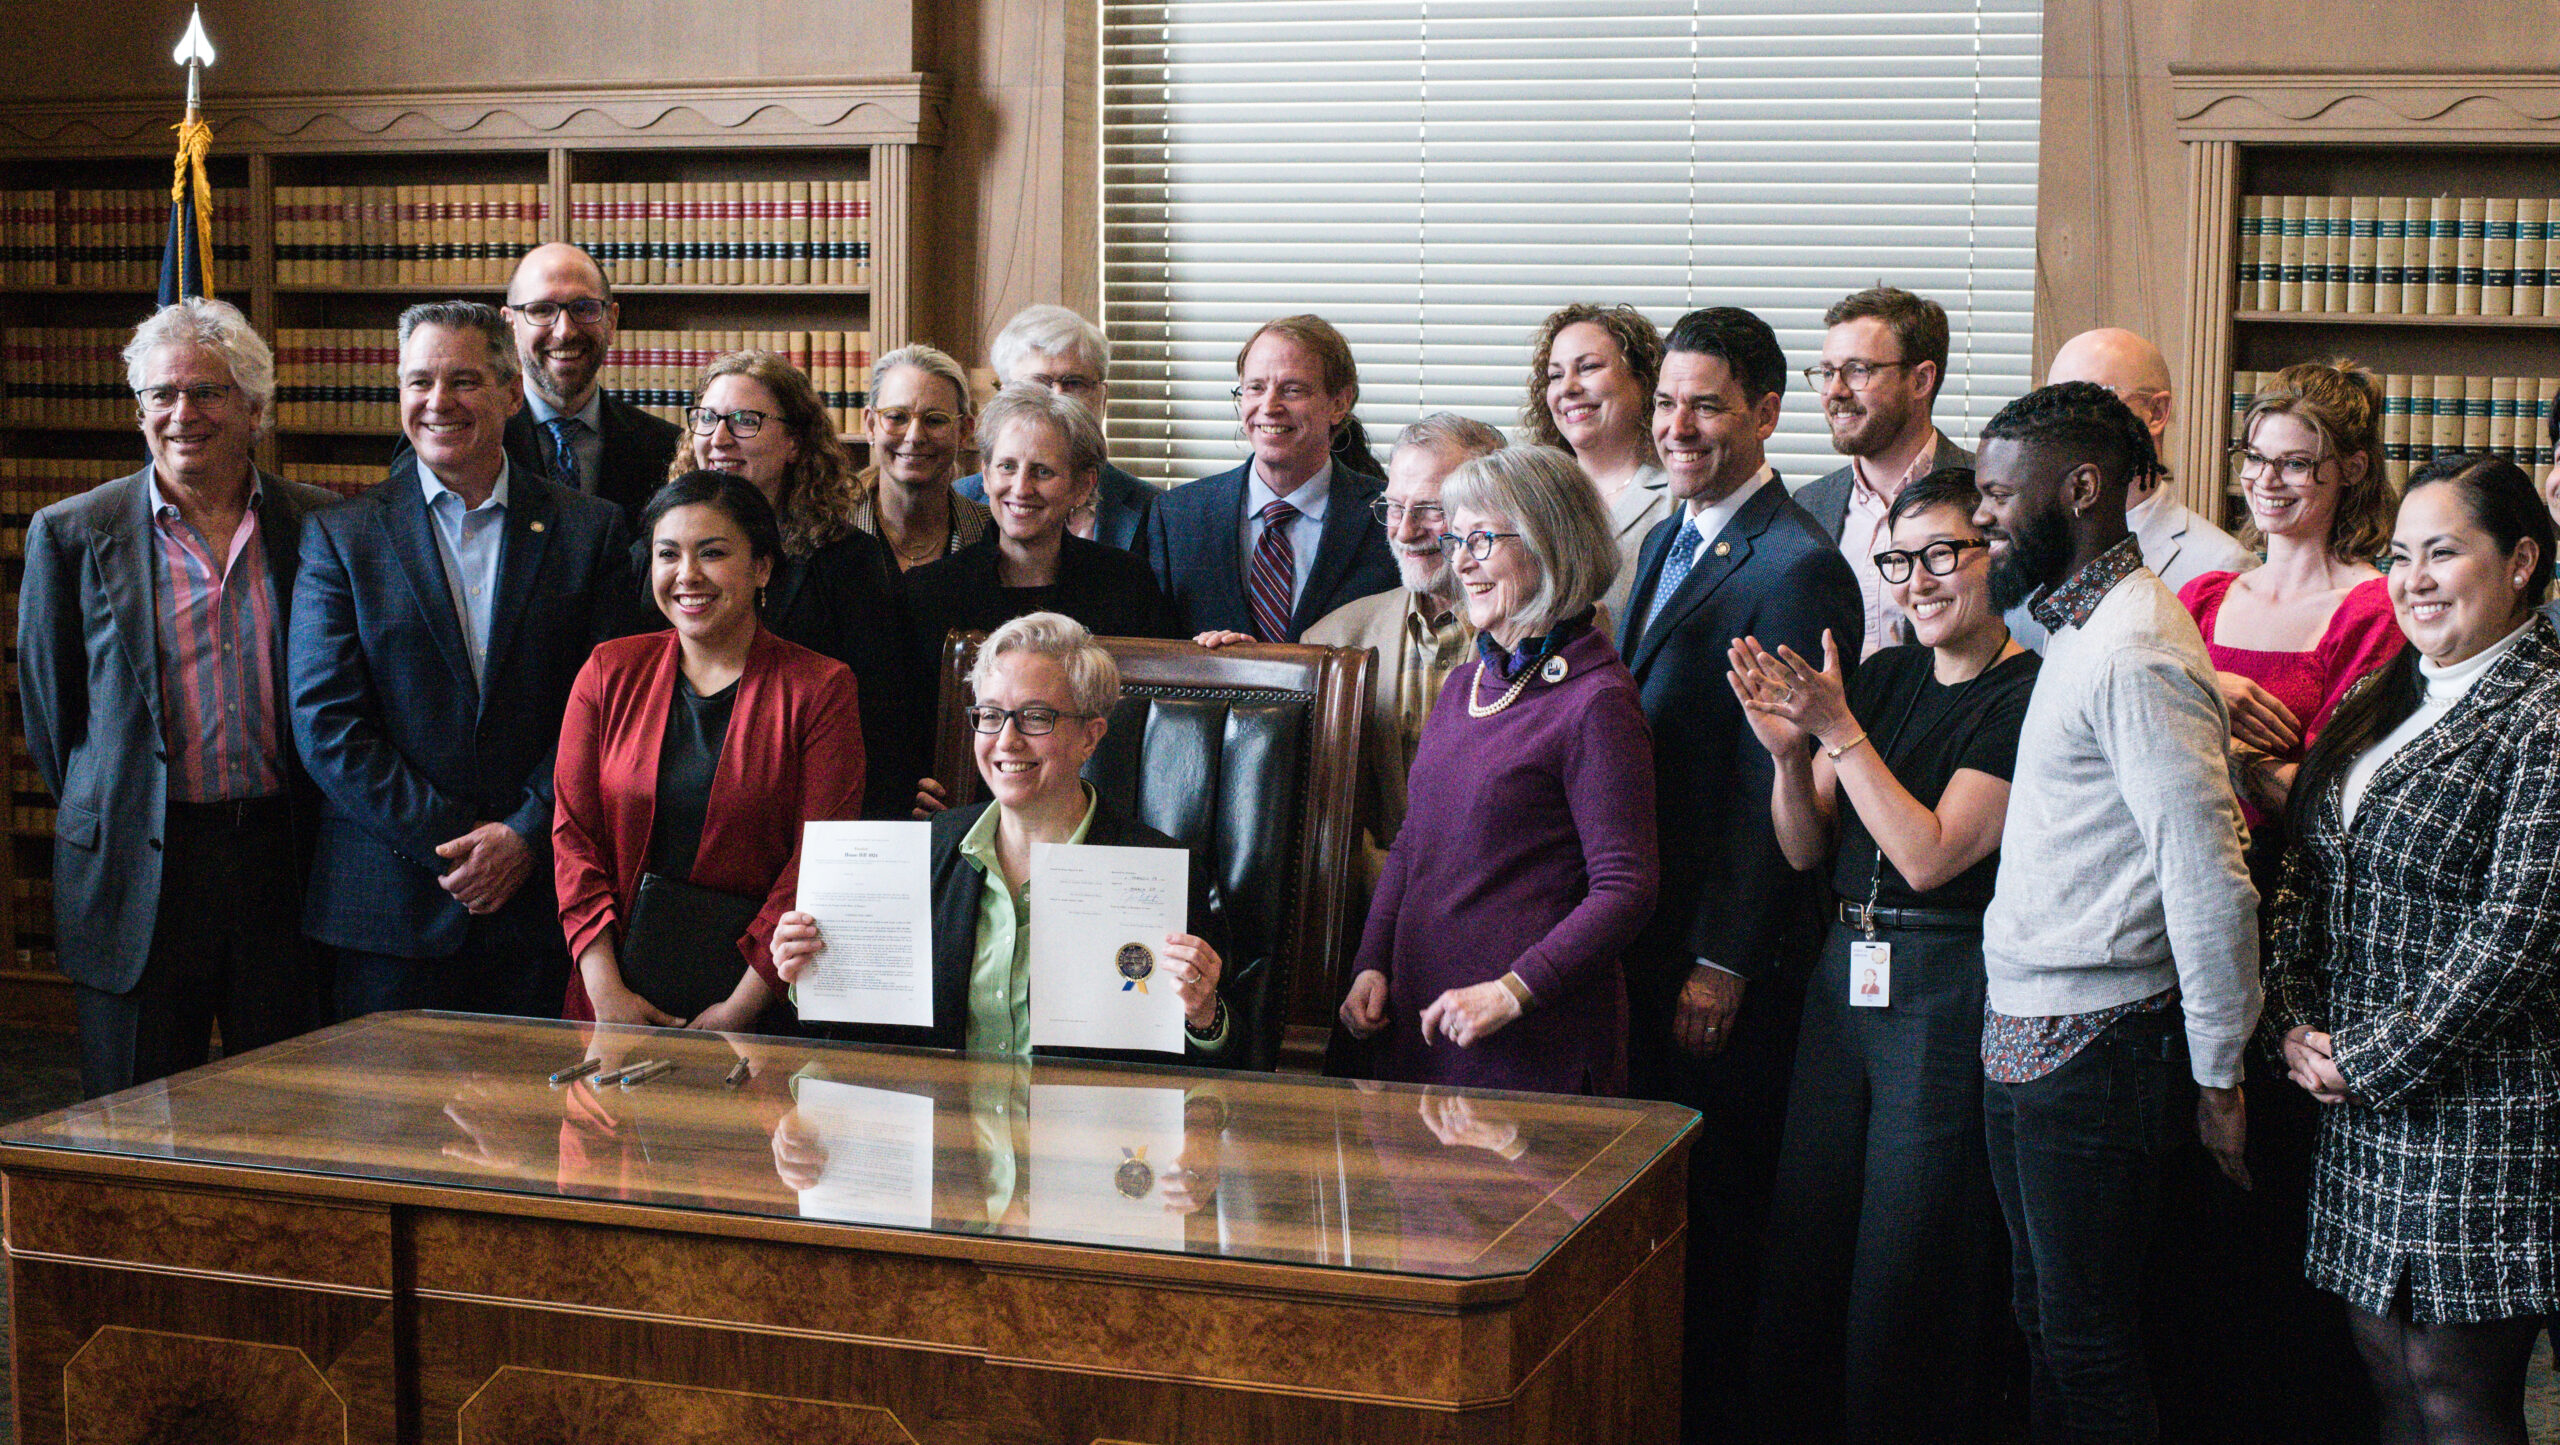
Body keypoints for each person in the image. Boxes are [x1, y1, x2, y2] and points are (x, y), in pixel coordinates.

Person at [1972, 380, 2260, 1443]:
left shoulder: (2135, 644)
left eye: (2001, 494)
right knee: (2043, 1323)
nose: (1984, 516)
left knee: (2088, 1342)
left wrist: (2218, 1073)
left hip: (2098, 1050)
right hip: (2028, 1029)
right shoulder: (2078, 624)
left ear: (2082, 488)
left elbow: (2206, 871)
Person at [1731, 466, 2037, 1441]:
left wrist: (1836, 728)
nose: (1918, 580)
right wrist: (1789, 755)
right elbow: (1803, 846)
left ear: (1995, 555)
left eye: (1942, 553)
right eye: (1898, 561)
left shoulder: (2026, 692)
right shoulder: (1885, 674)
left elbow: (1929, 853)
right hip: (1843, 970)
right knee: (1805, 1248)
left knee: (1905, 1269)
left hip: (1945, 982)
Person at [2265, 453, 2560, 1445]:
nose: (2413, 579)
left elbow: (2518, 930)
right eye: (2398, 555)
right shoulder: (2383, 691)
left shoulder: (2544, 709)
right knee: (2387, 1377)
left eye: (2443, 552)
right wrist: (2292, 1025)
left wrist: (2366, 1056)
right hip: (2354, 1102)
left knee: (2454, 1387)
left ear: (2521, 560)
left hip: (2485, 1110)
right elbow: (2305, 871)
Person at [1614, 305, 1863, 1441]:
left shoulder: (1797, 565)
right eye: (1667, 402)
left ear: (1765, 412)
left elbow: (1779, 782)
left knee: (1719, 1218)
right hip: (1650, 929)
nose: (1678, 426)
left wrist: (1724, 956)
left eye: (1706, 406)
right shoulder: (1669, 536)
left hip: (1721, 960)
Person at [16, 299, 340, 1098]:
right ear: (140, 410)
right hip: (137, 865)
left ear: (254, 409)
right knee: (134, 1114)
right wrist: (123, 799)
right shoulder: (71, 533)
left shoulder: (321, 525)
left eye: (207, 392)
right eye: (161, 393)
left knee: (286, 1106)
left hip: (281, 858)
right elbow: (55, 718)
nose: (182, 413)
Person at [290, 300, 634, 1020]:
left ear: (511, 394)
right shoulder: (341, 536)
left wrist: (524, 834)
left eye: (463, 381)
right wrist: (458, 845)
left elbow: (606, 713)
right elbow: (327, 725)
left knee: (540, 1099)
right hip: (389, 916)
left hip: (542, 908)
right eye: (419, 382)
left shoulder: (590, 531)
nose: (438, 401)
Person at [1333, 445, 1658, 1094]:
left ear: (1550, 544)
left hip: (1529, 1044)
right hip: (1422, 1026)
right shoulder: (1466, 685)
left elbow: (1626, 888)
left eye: (1481, 539)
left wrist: (1513, 991)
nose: (1459, 562)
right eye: (1457, 540)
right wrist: (1371, 963)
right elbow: (1412, 844)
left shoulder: (1596, 699)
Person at [769, 613, 1238, 1061]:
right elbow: (868, 1040)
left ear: (1090, 737)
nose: (1007, 740)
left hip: (1089, 1116)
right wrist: (813, 972)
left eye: (1035, 717)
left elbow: (1224, 1065)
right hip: (943, 1114)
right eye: (991, 715)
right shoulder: (923, 852)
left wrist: (1203, 1016)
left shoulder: (1159, 872)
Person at [552, 474, 866, 1031]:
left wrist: (739, 1009)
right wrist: (606, 991)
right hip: (609, 1003)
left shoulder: (821, 688)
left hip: (756, 1011)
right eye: (668, 554)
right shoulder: (607, 671)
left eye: (713, 553)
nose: (687, 574)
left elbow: (817, 865)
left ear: (762, 567)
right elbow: (574, 839)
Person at [674, 350, 922, 818]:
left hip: (809, 809)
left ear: (793, 442)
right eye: (707, 419)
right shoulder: (659, 557)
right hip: (680, 800)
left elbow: (881, 723)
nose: (719, 438)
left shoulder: (851, 561)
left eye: (745, 421)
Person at [1297, 414, 1505, 917]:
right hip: (1366, 922)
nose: (1405, 531)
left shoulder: (1553, 636)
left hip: (1503, 920)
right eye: (1393, 507)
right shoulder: (1330, 642)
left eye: (1431, 509)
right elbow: (1316, 813)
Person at [2184, 362, 2401, 834]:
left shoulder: (2373, 614)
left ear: (2353, 469)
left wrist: (2204, 719)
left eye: (2296, 464)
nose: (2266, 480)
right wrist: (2205, 691)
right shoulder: (2201, 598)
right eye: (2255, 457)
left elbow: (2334, 802)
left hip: (2288, 870)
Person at [1144, 314, 1399, 642]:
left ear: (1339, 404)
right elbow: (1152, 657)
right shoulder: (1176, 518)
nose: (1269, 406)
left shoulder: (1391, 518)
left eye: (1292, 390)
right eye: (1255, 388)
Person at [905, 384, 1175, 677]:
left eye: (1043, 471)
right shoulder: (929, 592)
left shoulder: (1127, 584)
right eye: (1007, 467)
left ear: (1083, 486)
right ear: (986, 475)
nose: (1021, 488)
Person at [2011, 327, 2256, 650]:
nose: (2062, 424)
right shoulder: (2020, 547)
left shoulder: (2223, 568)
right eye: (2052, 404)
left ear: (2156, 413)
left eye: (2089, 401)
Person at [1793, 287, 1978, 659]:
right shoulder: (1809, 505)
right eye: (1827, 373)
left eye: (1858, 371)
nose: (1834, 391)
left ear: (1920, 381)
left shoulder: (1985, 492)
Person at [497, 242, 682, 521]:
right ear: (510, 325)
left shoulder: (667, 450)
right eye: (542, 310)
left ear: (611, 322)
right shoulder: (478, 444)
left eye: (584, 308)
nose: (564, 331)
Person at [953, 304, 1156, 549]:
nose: (1057, 398)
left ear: (1103, 398)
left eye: (1074, 383)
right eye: (1038, 384)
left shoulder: (1155, 510)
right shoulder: (957, 504)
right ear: (1004, 401)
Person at [1522, 303, 1669, 619]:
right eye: (1556, 375)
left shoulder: (1680, 498)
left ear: (1644, 380)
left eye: (1588, 367)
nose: (1568, 387)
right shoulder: (1531, 498)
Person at [851, 343, 992, 570]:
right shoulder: (828, 531)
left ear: (965, 431)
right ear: (870, 425)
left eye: (935, 420)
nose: (914, 436)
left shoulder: (992, 537)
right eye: (896, 417)